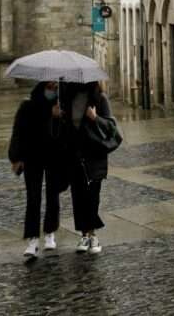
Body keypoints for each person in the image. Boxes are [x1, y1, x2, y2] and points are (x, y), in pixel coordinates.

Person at [8, 81, 64, 258]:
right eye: (50, 86)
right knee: (33, 196)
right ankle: (32, 238)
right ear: (42, 85)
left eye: (55, 86)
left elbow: (66, 131)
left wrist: (58, 117)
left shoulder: (61, 104)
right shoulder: (28, 105)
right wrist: (15, 157)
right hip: (32, 156)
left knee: (52, 194)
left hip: (54, 155)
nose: (53, 88)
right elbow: (18, 130)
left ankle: (50, 233)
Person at [63, 81, 114, 255]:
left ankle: (93, 235)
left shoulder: (100, 99)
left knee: (92, 196)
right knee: (78, 195)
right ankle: (84, 235)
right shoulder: (68, 99)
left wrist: (95, 118)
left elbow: (111, 127)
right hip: (75, 155)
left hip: (95, 155)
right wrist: (56, 117)